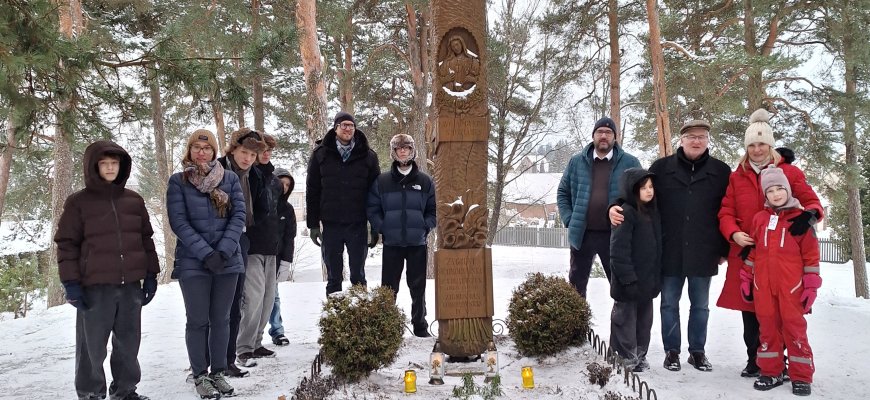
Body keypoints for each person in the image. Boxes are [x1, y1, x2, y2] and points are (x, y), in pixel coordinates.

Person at [610, 119, 731, 372]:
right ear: (682, 140)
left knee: (700, 306)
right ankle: (672, 351)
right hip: (668, 250)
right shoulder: (662, 168)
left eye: (701, 136)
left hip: (703, 250)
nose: (696, 141)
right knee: (668, 304)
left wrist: (723, 248)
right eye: (691, 136)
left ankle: (697, 351)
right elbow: (639, 191)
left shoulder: (721, 171)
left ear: (708, 140)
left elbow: (728, 210)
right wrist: (614, 205)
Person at [717, 109, 823, 379]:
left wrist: (809, 216)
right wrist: (734, 234)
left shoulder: (788, 172)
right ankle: (757, 360)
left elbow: (811, 201)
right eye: (751, 145)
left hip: (784, 255)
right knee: (751, 310)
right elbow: (725, 211)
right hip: (749, 252)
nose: (756, 149)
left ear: (770, 145)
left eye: (761, 144)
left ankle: (787, 362)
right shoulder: (736, 175)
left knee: (784, 311)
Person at [55, 140, 160, 400]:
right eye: (105, 164)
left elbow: (146, 239)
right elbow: (66, 245)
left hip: (130, 287)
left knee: (128, 343)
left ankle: (125, 390)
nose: (111, 168)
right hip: (95, 288)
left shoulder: (133, 200)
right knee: (92, 347)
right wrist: (71, 284)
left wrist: (150, 275)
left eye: (115, 163)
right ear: (94, 167)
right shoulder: (78, 202)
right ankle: (91, 392)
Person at [167, 129, 246, 399]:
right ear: (189, 151)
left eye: (208, 148)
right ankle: (200, 374)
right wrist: (205, 253)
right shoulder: (178, 182)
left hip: (227, 261)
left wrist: (222, 252)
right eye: (197, 148)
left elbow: (238, 217)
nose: (202, 152)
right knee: (198, 320)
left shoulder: (230, 179)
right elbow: (179, 222)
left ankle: (219, 373)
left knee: (222, 319)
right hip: (193, 263)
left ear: (215, 152)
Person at [741, 166, 820, 396]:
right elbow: (753, 251)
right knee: (767, 330)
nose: (776, 194)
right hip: (763, 287)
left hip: (792, 287)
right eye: (771, 190)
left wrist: (812, 283)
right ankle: (771, 371)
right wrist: (746, 276)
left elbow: (811, 255)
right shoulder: (760, 219)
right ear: (765, 195)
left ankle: (801, 376)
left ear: (787, 189)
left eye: (780, 189)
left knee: (794, 329)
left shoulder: (801, 220)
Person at [557, 116, 641, 298]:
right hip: (582, 234)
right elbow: (563, 193)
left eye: (608, 132)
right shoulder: (576, 162)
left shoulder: (630, 163)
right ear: (593, 135)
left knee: (620, 288)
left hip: (616, 235)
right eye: (600, 132)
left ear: (615, 137)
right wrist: (570, 220)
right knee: (576, 288)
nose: (604, 136)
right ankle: (576, 327)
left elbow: (640, 199)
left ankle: (622, 327)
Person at [367, 134, 437, 338]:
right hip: (392, 244)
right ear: (394, 152)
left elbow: (433, 210)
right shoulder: (382, 181)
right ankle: (386, 327)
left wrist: (425, 227)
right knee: (389, 288)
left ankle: (420, 326)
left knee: (418, 287)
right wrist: (383, 228)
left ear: (412, 151)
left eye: (407, 148)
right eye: (399, 149)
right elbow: (372, 208)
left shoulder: (425, 181)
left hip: (417, 243)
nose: (403, 151)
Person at [307, 111, 381, 296]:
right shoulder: (320, 154)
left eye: (351, 125)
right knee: (333, 276)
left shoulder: (368, 156)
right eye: (344, 125)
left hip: (357, 223)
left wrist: (375, 225)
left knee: (358, 274)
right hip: (331, 224)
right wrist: (313, 225)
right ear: (335, 128)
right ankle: (334, 318)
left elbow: (376, 193)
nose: (348, 128)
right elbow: (312, 191)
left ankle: (360, 318)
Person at [218, 128, 274, 368]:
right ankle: (232, 352)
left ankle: (241, 350)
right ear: (233, 150)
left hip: (246, 239)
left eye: (253, 154)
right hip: (221, 241)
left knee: (260, 299)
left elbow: (262, 207)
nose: (248, 158)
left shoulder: (256, 175)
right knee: (236, 301)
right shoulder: (219, 169)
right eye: (244, 152)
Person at [608, 168, 661, 373]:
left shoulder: (652, 212)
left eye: (650, 187)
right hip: (628, 282)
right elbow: (618, 251)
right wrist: (628, 279)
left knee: (643, 322)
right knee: (625, 321)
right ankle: (623, 356)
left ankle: (639, 354)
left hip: (646, 281)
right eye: (643, 188)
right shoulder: (626, 213)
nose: (649, 191)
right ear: (632, 190)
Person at [268, 167, 297, 346]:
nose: (284, 187)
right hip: (259, 257)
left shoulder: (287, 209)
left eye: (288, 184)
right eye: (281, 182)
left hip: (278, 258)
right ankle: (249, 334)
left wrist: (286, 263)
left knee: (274, 296)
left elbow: (289, 238)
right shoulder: (264, 203)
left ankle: (277, 331)